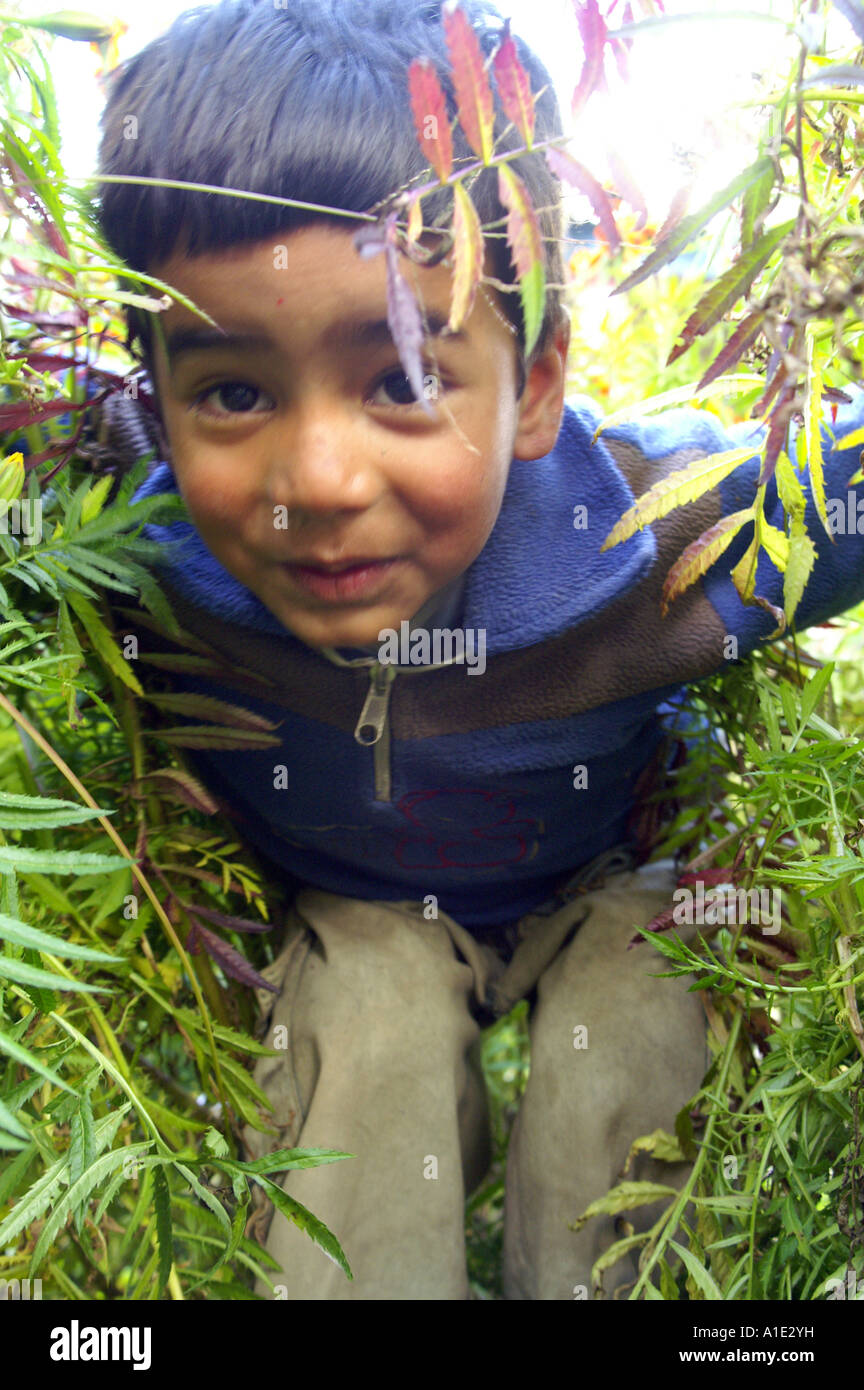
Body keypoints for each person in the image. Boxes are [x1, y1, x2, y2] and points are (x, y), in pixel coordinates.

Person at [93, 0, 864, 1299]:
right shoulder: (135, 557)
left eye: (402, 378)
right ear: (158, 400)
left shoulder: (646, 532)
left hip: (603, 880)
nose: (321, 477)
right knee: (363, 1035)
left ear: (539, 378)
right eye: (233, 390)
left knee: (629, 1027)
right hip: (362, 912)